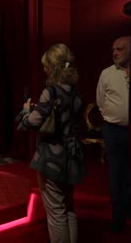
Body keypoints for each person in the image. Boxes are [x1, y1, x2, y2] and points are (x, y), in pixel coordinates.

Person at [16, 44, 84, 243]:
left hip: (52, 157)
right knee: (69, 208)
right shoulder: (76, 91)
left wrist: (26, 112)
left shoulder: (51, 92)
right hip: (71, 155)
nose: (44, 70)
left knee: (55, 212)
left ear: (53, 67)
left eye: (46, 66)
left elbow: (33, 122)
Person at [96, 36, 131, 233]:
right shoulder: (107, 74)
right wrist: (113, 117)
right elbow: (101, 100)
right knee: (116, 174)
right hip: (113, 131)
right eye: (113, 49)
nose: (115, 53)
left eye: (120, 49)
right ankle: (118, 216)